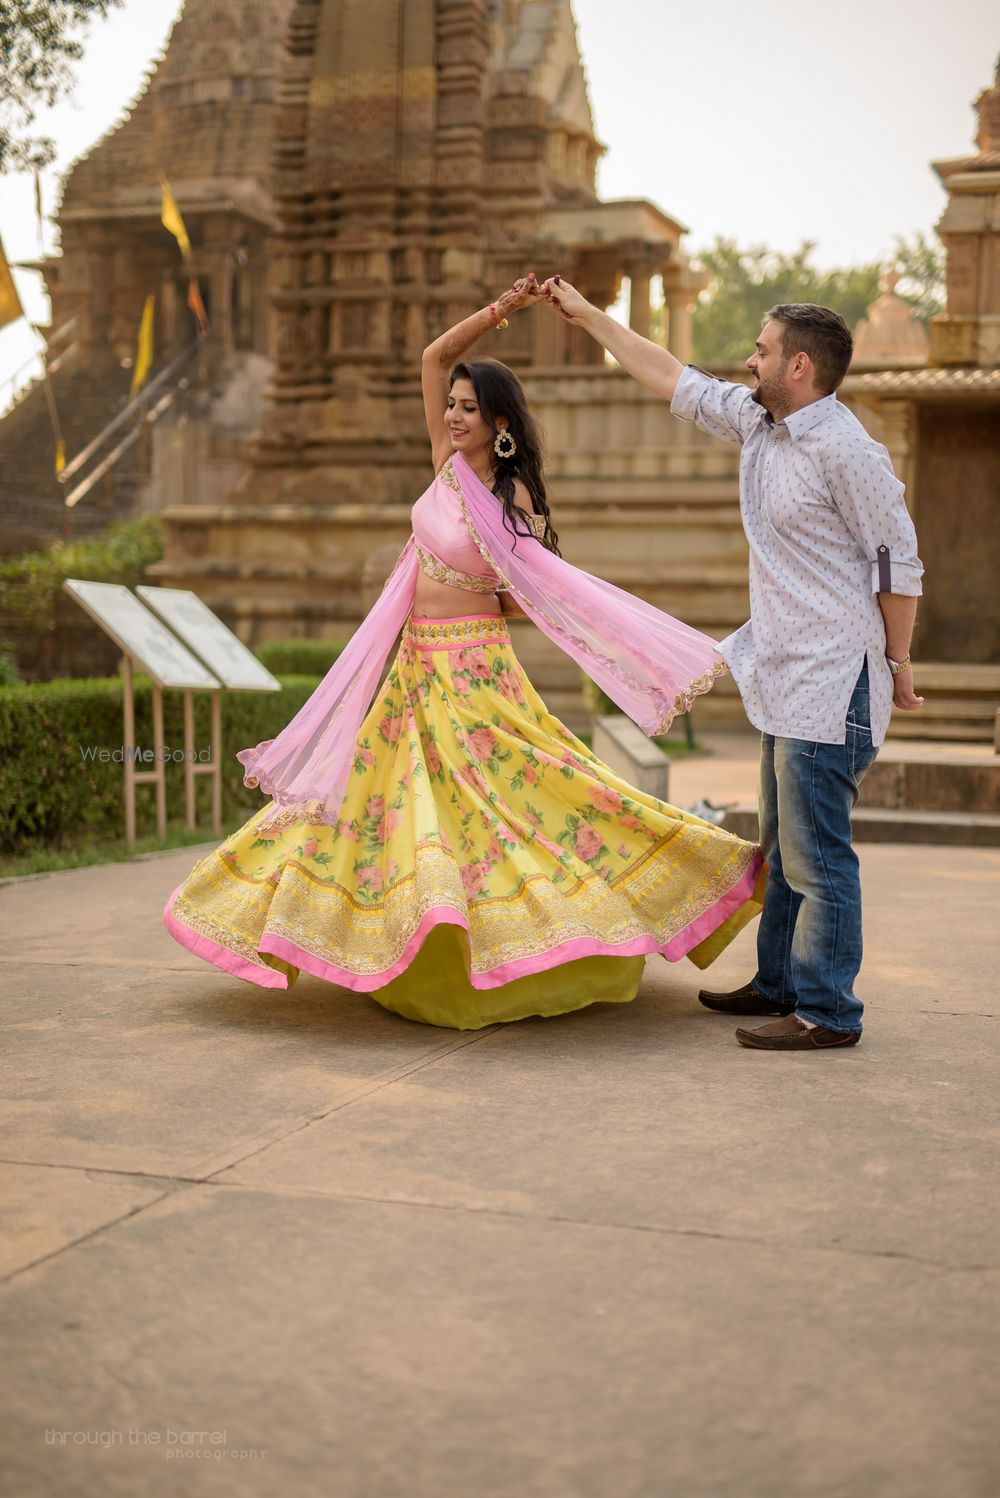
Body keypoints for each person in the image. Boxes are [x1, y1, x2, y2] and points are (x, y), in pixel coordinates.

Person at [163, 277, 765, 1030]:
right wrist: (499, 312)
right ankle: (391, 949)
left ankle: (545, 940)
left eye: (467, 408)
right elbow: (433, 354)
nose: (451, 416)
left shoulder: (514, 504)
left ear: (499, 423)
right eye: (449, 405)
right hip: (413, 671)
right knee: (388, 812)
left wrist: (524, 565)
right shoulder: (444, 469)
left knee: (515, 807)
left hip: (477, 674)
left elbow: (528, 602)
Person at [541, 276, 924, 1051]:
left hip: (833, 679)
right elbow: (669, 376)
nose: (749, 361)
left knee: (819, 859)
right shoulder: (759, 425)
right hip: (786, 675)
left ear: (800, 368)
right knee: (781, 853)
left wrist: (899, 662)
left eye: (762, 350)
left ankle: (827, 1012)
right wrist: (587, 316)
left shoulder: (848, 450)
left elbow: (897, 562)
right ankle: (777, 984)